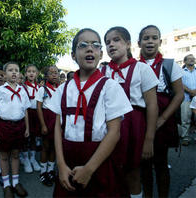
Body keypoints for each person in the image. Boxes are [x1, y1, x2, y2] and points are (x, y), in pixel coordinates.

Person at [47, 28, 132, 197]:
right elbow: (57, 127)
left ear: (101, 54)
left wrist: (89, 169)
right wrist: (61, 164)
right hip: (68, 159)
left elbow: (114, 132)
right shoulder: (63, 89)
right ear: (73, 55)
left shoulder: (110, 86)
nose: (89, 48)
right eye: (83, 45)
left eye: (95, 45)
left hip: (100, 159)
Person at [102, 26, 159, 198]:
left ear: (128, 44)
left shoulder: (143, 69)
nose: (111, 45)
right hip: (109, 126)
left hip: (134, 126)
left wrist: (149, 139)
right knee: (110, 171)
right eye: (107, 42)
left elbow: (152, 105)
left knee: (133, 173)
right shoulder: (102, 71)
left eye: (116, 40)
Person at [138, 25, 184, 198]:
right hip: (141, 121)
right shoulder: (134, 66)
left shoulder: (170, 65)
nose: (150, 41)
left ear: (160, 41)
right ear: (139, 43)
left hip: (162, 122)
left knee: (161, 163)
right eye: (146, 38)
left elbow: (179, 95)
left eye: (154, 38)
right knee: (144, 165)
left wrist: (163, 118)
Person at [0, 62, 30, 198]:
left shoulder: (22, 90)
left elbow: (25, 111)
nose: (13, 72)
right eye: (10, 70)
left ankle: (16, 183)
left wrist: (27, 128)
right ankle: (6, 185)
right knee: (4, 155)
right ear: (5, 74)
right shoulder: (0, 90)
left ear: (19, 74)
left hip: (19, 126)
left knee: (16, 154)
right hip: (4, 126)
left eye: (16, 70)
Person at [36, 65, 59, 187]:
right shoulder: (42, 89)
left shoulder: (61, 89)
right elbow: (39, 107)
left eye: (56, 72)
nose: (54, 75)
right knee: (46, 147)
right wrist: (43, 125)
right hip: (47, 119)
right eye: (51, 73)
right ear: (46, 76)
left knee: (55, 147)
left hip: (57, 120)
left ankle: (51, 170)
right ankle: (43, 172)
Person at [21, 64, 42, 173]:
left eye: (34, 71)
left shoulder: (40, 88)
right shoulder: (22, 87)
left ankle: (33, 158)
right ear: (25, 74)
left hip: (36, 114)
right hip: (26, 114)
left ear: (37, 74)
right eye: (29, 71)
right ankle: (26, 159)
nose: (31, 73)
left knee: (34, 137)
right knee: (26, 137)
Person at [180, 54, 196, 146]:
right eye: (189, 59)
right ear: (185, 61)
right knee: (185, 118)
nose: (192, 60)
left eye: (193, 58)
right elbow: (180, 84)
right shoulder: (181, 72)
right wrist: (190, 91)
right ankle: (185, 137)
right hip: (186, 98)